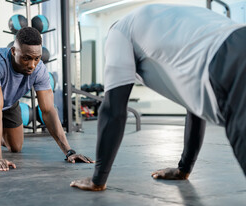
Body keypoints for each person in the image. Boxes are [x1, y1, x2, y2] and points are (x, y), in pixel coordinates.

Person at [70, 4, 246, 191]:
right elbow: (194, 107)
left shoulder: (118, 32)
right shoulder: (174, 20)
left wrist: (98, 179)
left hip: (231, 65)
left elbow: (113, 109)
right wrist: (184, 168)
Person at [0, 27, 94, 171]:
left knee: (15, 147)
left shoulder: (39, 70)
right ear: (14, 51)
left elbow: (48, 110)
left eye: (37, 58)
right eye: (26, 58)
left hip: (7, 99)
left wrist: (69, 152)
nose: (32, 65)